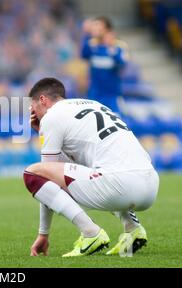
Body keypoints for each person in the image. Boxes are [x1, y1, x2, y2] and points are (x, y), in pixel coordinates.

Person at [25, 77, 159, 257]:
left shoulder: (52, 116)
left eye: (32, 107)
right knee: (100, 167)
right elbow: (73, 164)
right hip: (150, 185)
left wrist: (43, 233)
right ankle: (133, 229)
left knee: (31, 174)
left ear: (42, 100)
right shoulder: (93, 104)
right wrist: (41, 131)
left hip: (119, 185)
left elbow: (46, 174)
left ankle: (91, 233)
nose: (33, 112)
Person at [81, 17, 128, 113]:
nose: (96, 28)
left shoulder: (118, 46)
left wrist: (112, 49)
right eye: (94, 26)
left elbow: (122, 65)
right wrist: (86, 34)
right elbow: (83, 55)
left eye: (99, 26)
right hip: (94, 95)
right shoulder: (91, 45)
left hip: (112, 95)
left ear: (107, 29)